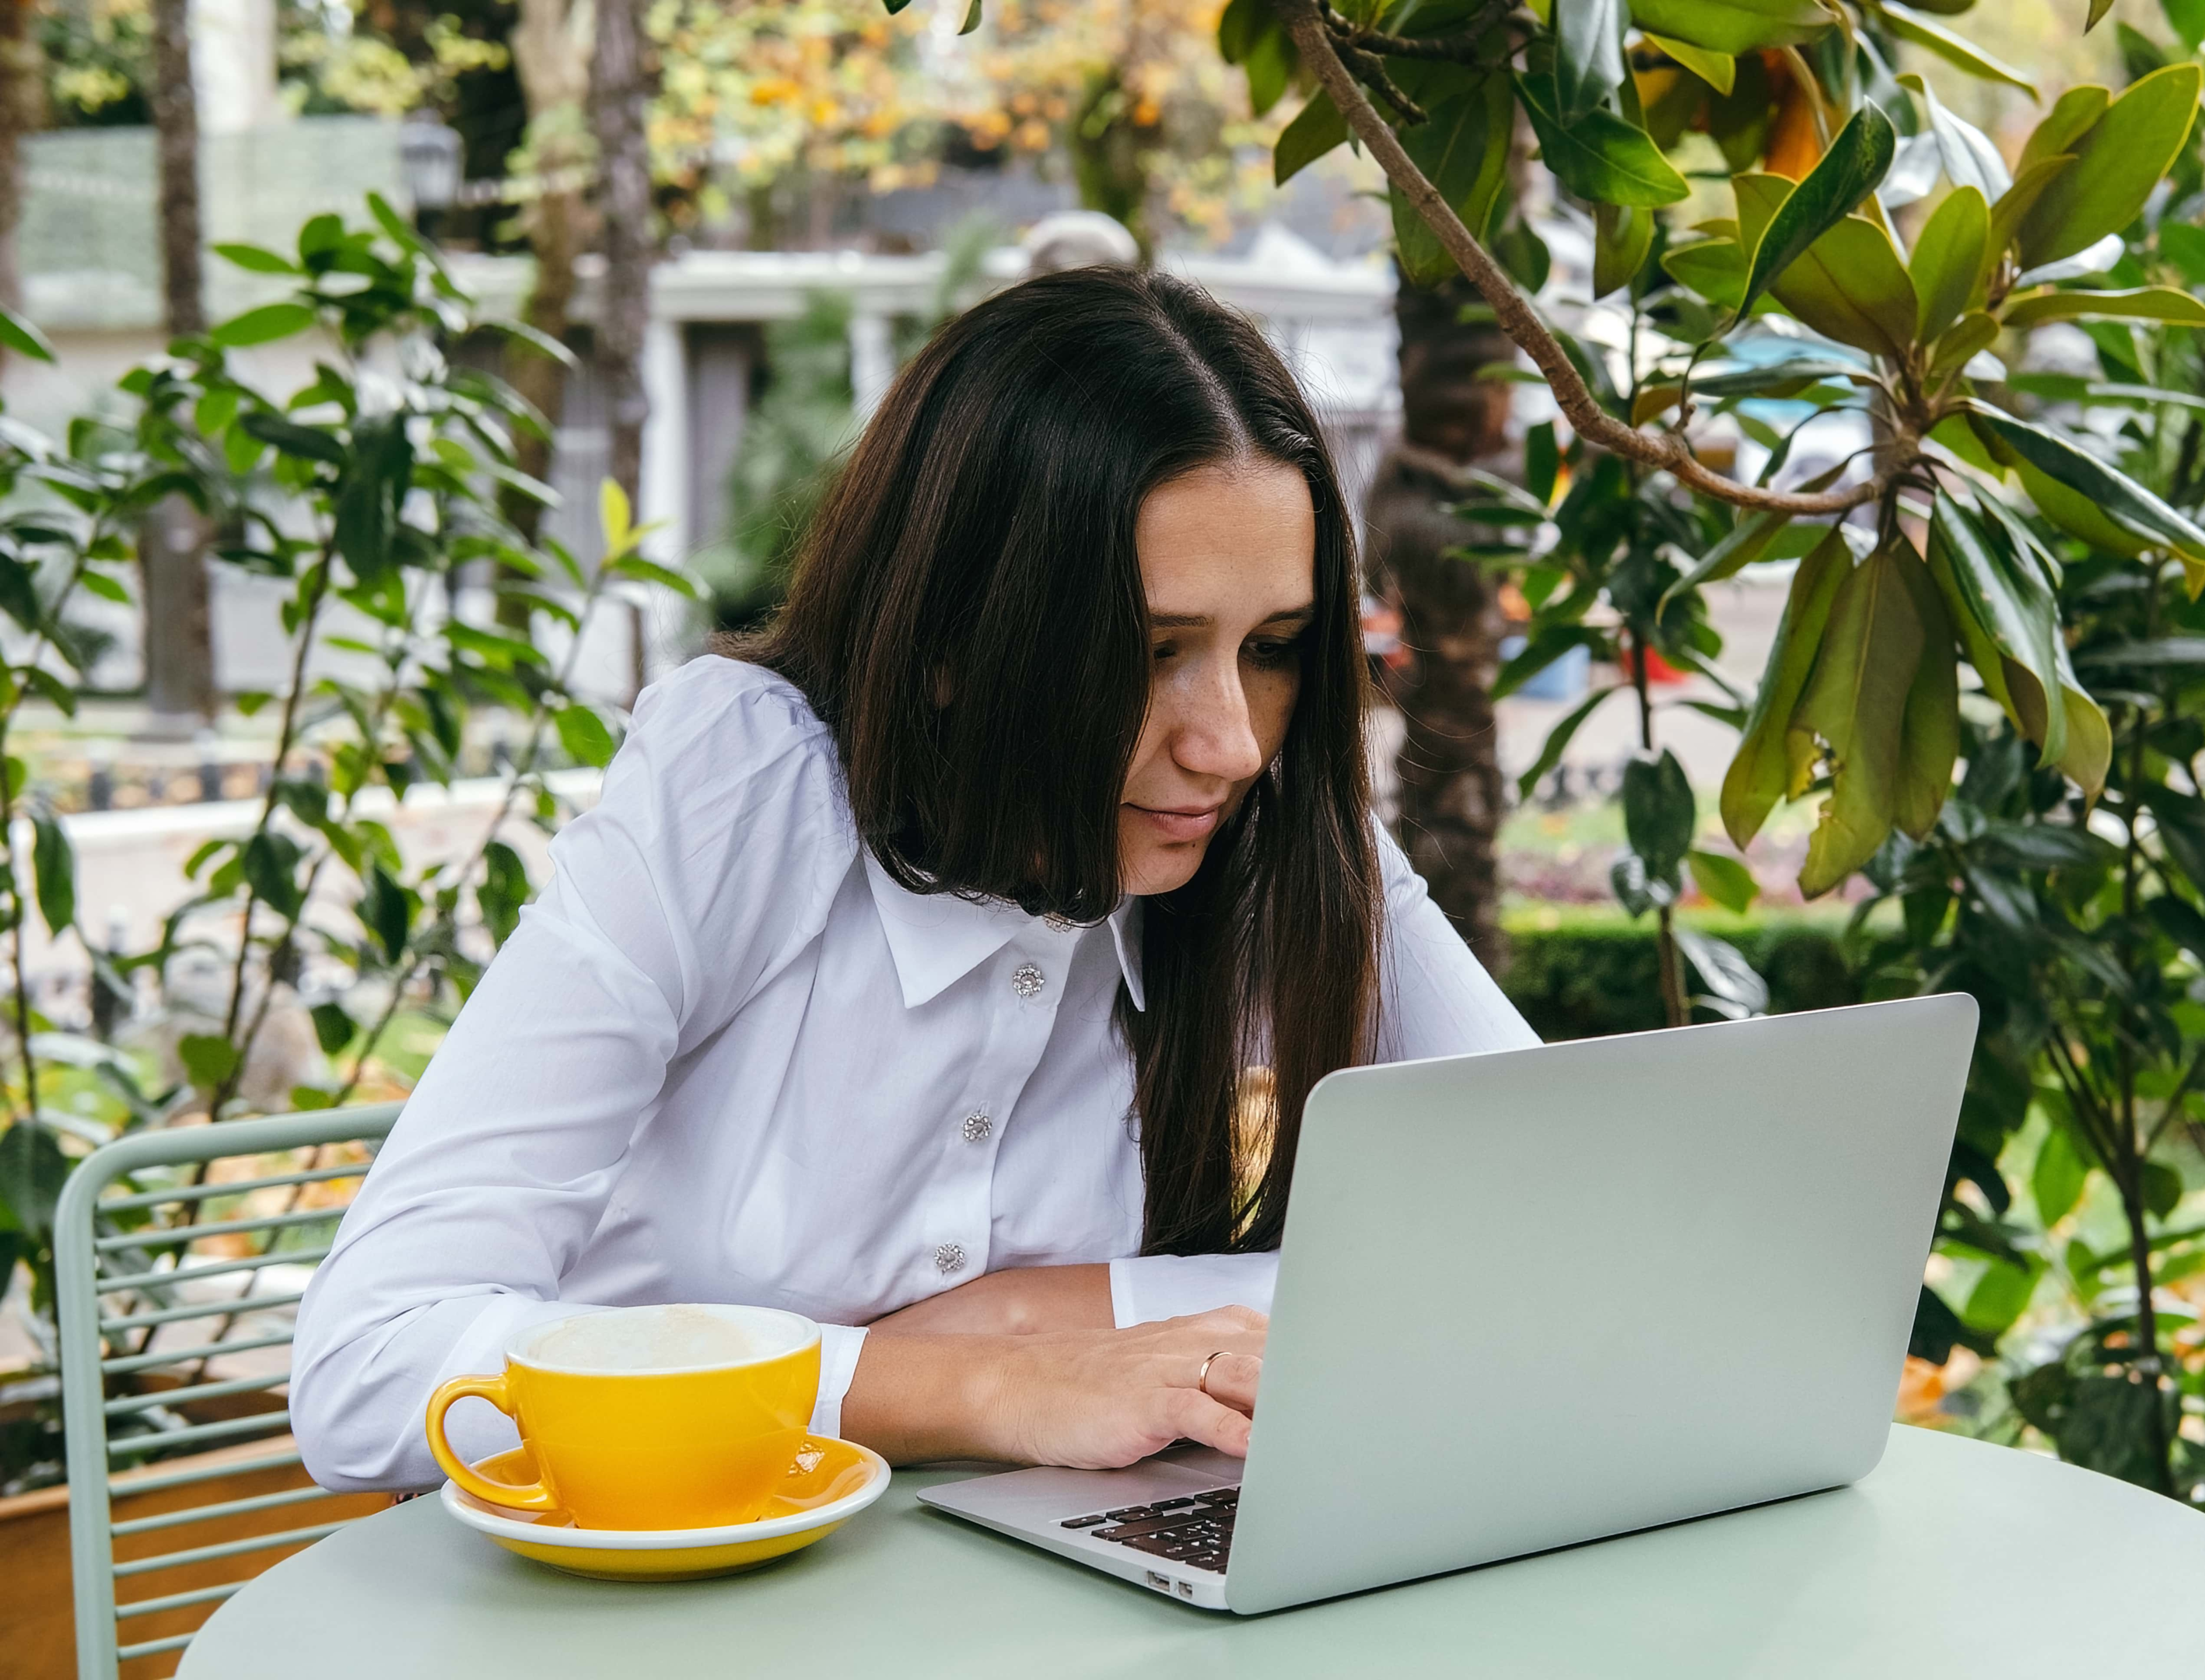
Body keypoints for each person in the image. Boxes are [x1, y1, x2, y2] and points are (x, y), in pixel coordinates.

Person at [291, 266, 1538, 1493]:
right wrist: (979, 1385)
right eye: (1150, 652)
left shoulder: (1255, 820)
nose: (1231, 740)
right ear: (953, 645)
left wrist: (1030, 1314)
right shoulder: (744, 786)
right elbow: (370, 1367)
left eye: (1270, 649)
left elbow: (1559, 1237)